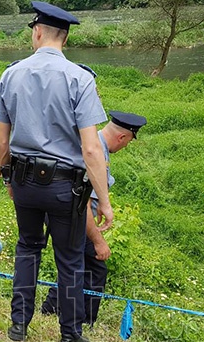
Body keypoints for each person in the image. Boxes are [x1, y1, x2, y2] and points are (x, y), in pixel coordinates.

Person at [0, 1, 114, 342]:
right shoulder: (80, 78)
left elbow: (0, 141)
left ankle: (18, 325)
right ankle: (70, 335)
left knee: (27, 248)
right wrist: (103, 200)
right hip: (65, 188)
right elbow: (91, 149)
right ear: (65, 38)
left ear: (37, 31)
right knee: (70, 259)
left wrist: (10, 178)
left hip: (24, 181)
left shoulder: (10, 73)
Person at [41, 110, 147, 326]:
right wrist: (98, 240)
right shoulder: (95, 150)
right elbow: (83, 203)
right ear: (122, 137)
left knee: (75, 264)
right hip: (73, 217)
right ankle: (81, 319)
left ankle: (53, 310)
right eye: (127, 142)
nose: (125, 146)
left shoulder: (98, 146)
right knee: (94, 266)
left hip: (69, 215)